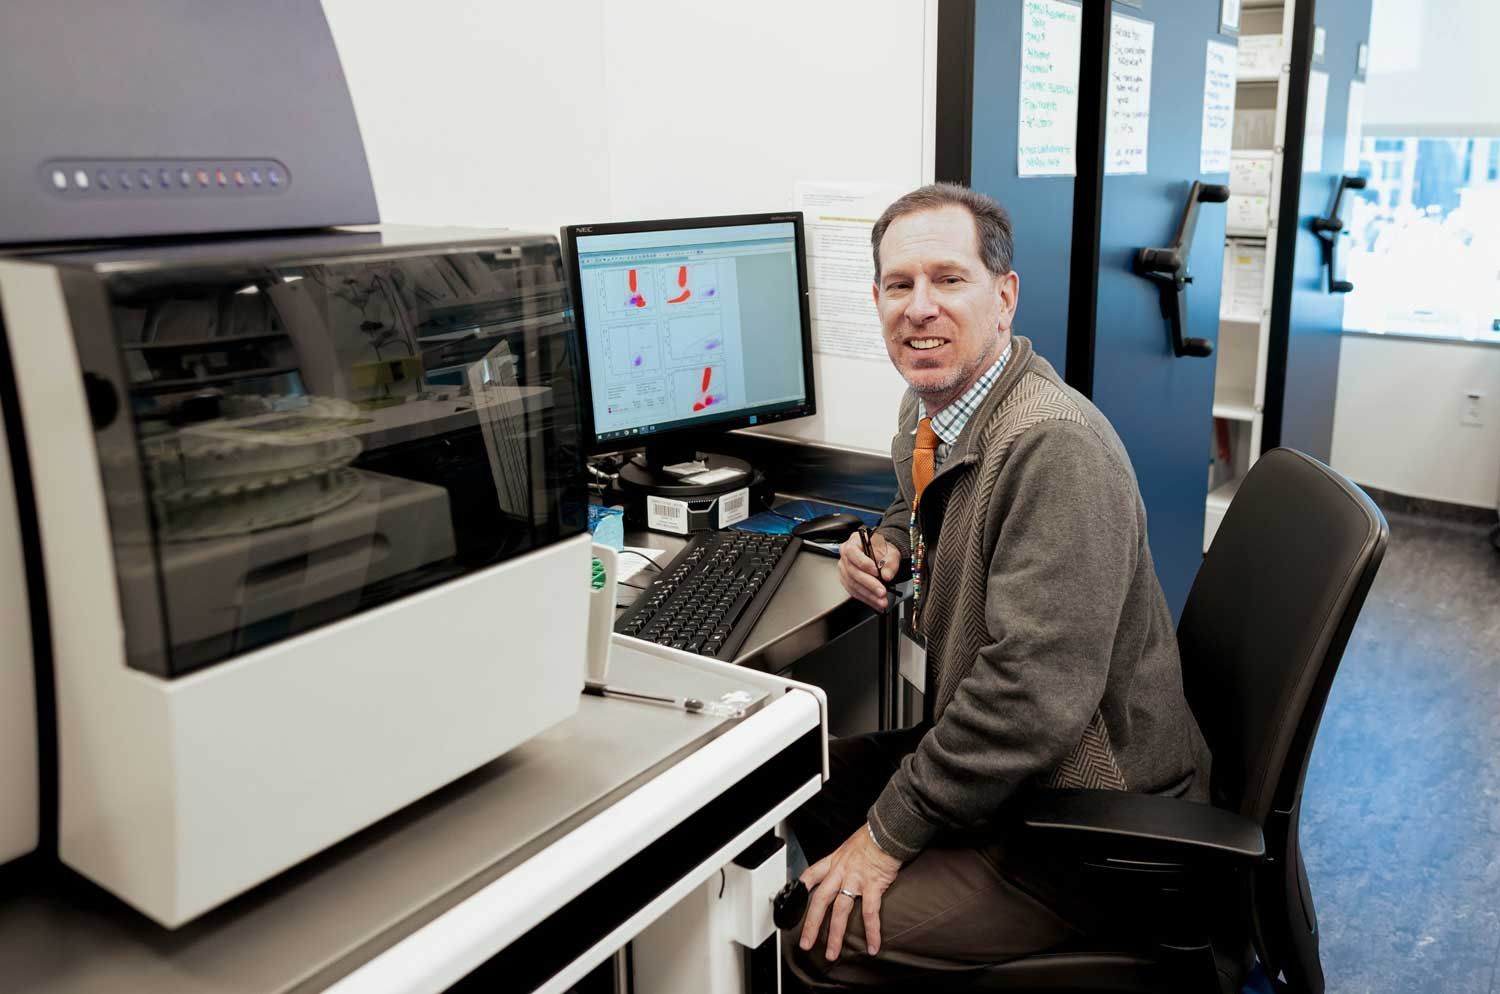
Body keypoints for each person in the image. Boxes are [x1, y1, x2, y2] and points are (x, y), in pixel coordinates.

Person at [784, 183, 1212, 986]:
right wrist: (882, 546)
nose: (920, 308)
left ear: (1004, 296)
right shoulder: (935, 410)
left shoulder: (1054, 450)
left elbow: (1028, 699)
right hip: (1016, 775)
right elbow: (927, 506)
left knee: (815, 937)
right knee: (784, 777)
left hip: (1080, 817)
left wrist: (884, 841)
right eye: (900, 285)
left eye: (949, 280)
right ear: (876, 299)